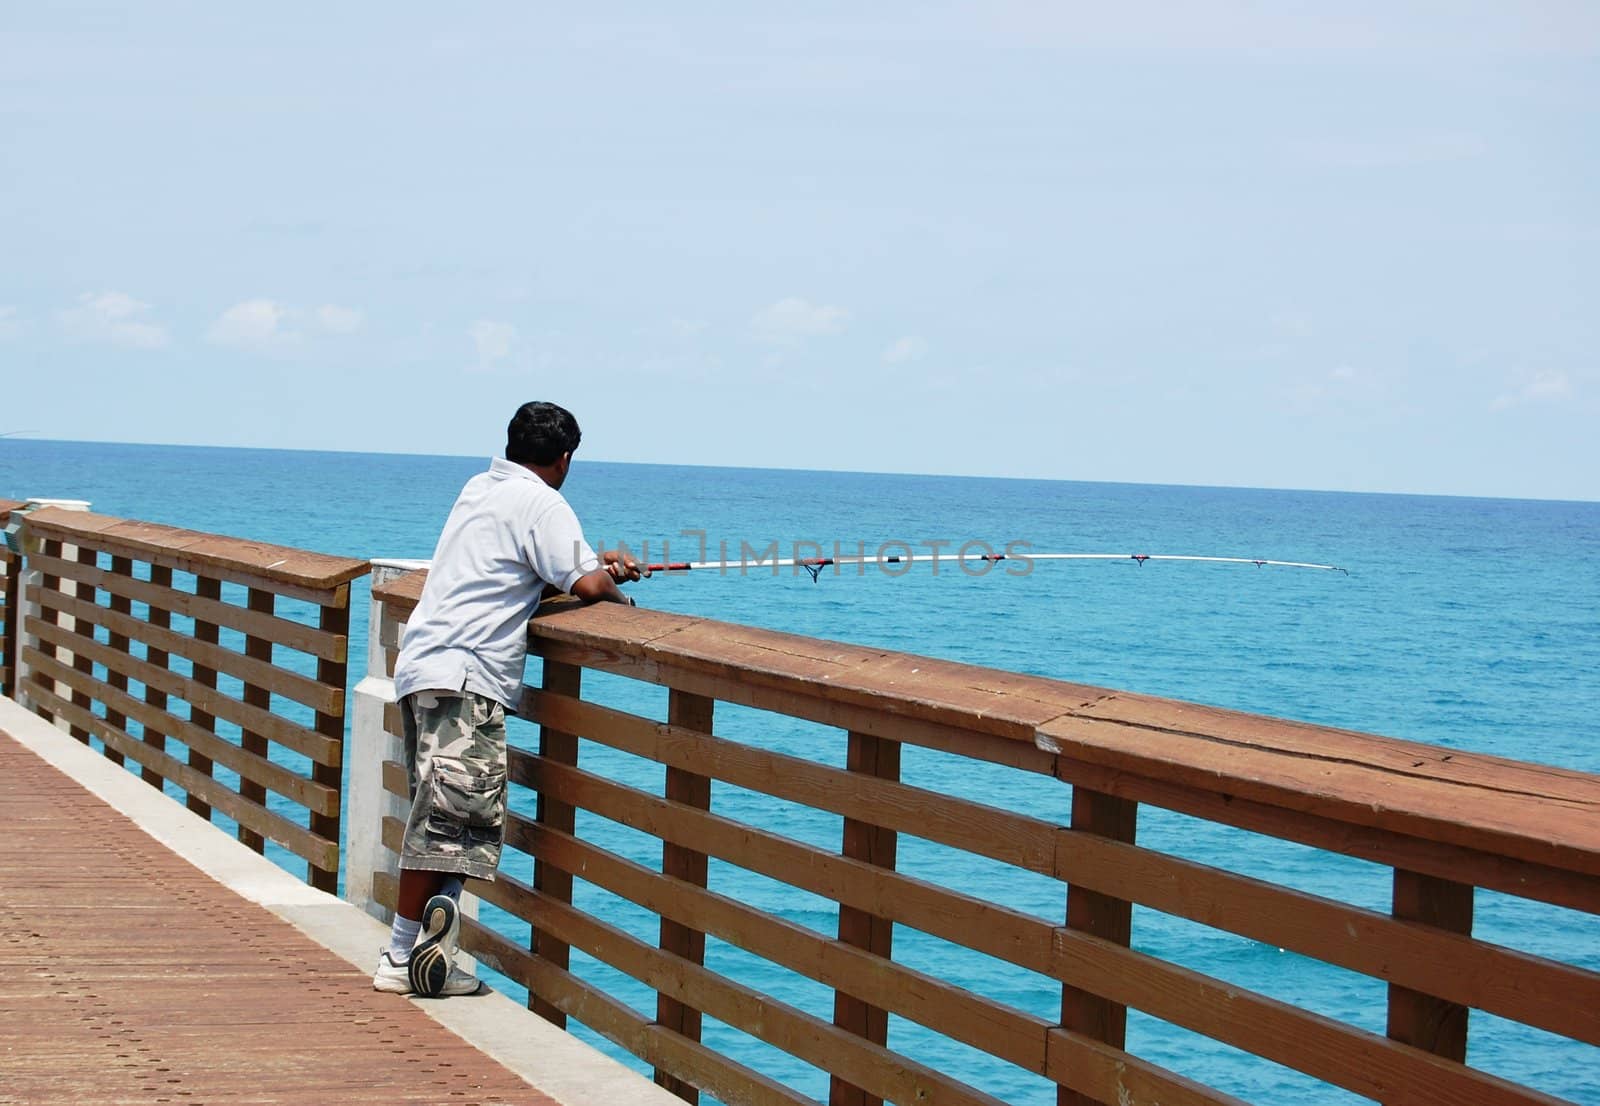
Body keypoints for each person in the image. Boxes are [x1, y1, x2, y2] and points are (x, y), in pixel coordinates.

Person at [373, 400, 645, 997]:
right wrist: (618, 594)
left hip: (424, 664)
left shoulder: (483, 487)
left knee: (453, 816)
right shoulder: (542, 501)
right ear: (565, 457)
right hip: (466, 675)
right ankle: (399, 957)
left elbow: (527, 565)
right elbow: (587, 585)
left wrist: (593, 565)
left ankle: (428, 954)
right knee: (449, 822)